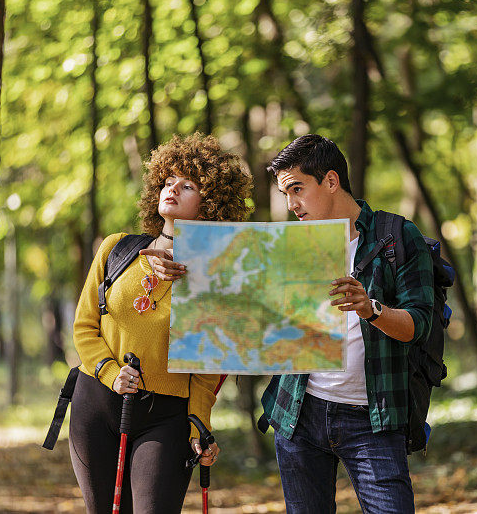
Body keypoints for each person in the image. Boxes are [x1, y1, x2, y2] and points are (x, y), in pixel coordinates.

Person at [70, 133, 253, 513]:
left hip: (167, 416)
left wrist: (199, 424)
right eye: (168, 181)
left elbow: (208, 368)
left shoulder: (217, 278)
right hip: (97, 403)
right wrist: (109, 371)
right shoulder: (117, 248)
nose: (173, 189)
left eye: (188, 185)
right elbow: (84, 326)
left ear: (210, 205)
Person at [258, 134, 434, 513]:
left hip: (372, 417)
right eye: (285, 193)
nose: (291, 204)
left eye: (297, 189)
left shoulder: (397, 236)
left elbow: (420, 324)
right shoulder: (290, 245)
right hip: (298, 414)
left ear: (332, 181)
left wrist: (372, 308)